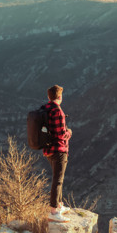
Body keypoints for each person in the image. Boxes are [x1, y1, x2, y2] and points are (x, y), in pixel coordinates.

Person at [43, 84, 72, 222]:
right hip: (59, 149)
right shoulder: (57, 111)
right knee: (58, 180)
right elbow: (61, 134)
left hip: (48, 149)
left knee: (57, 177)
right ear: (60, 97)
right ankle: (54, 211)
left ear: (49, 96)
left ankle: (59, 205)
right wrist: (69, 132)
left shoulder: (46, 109)